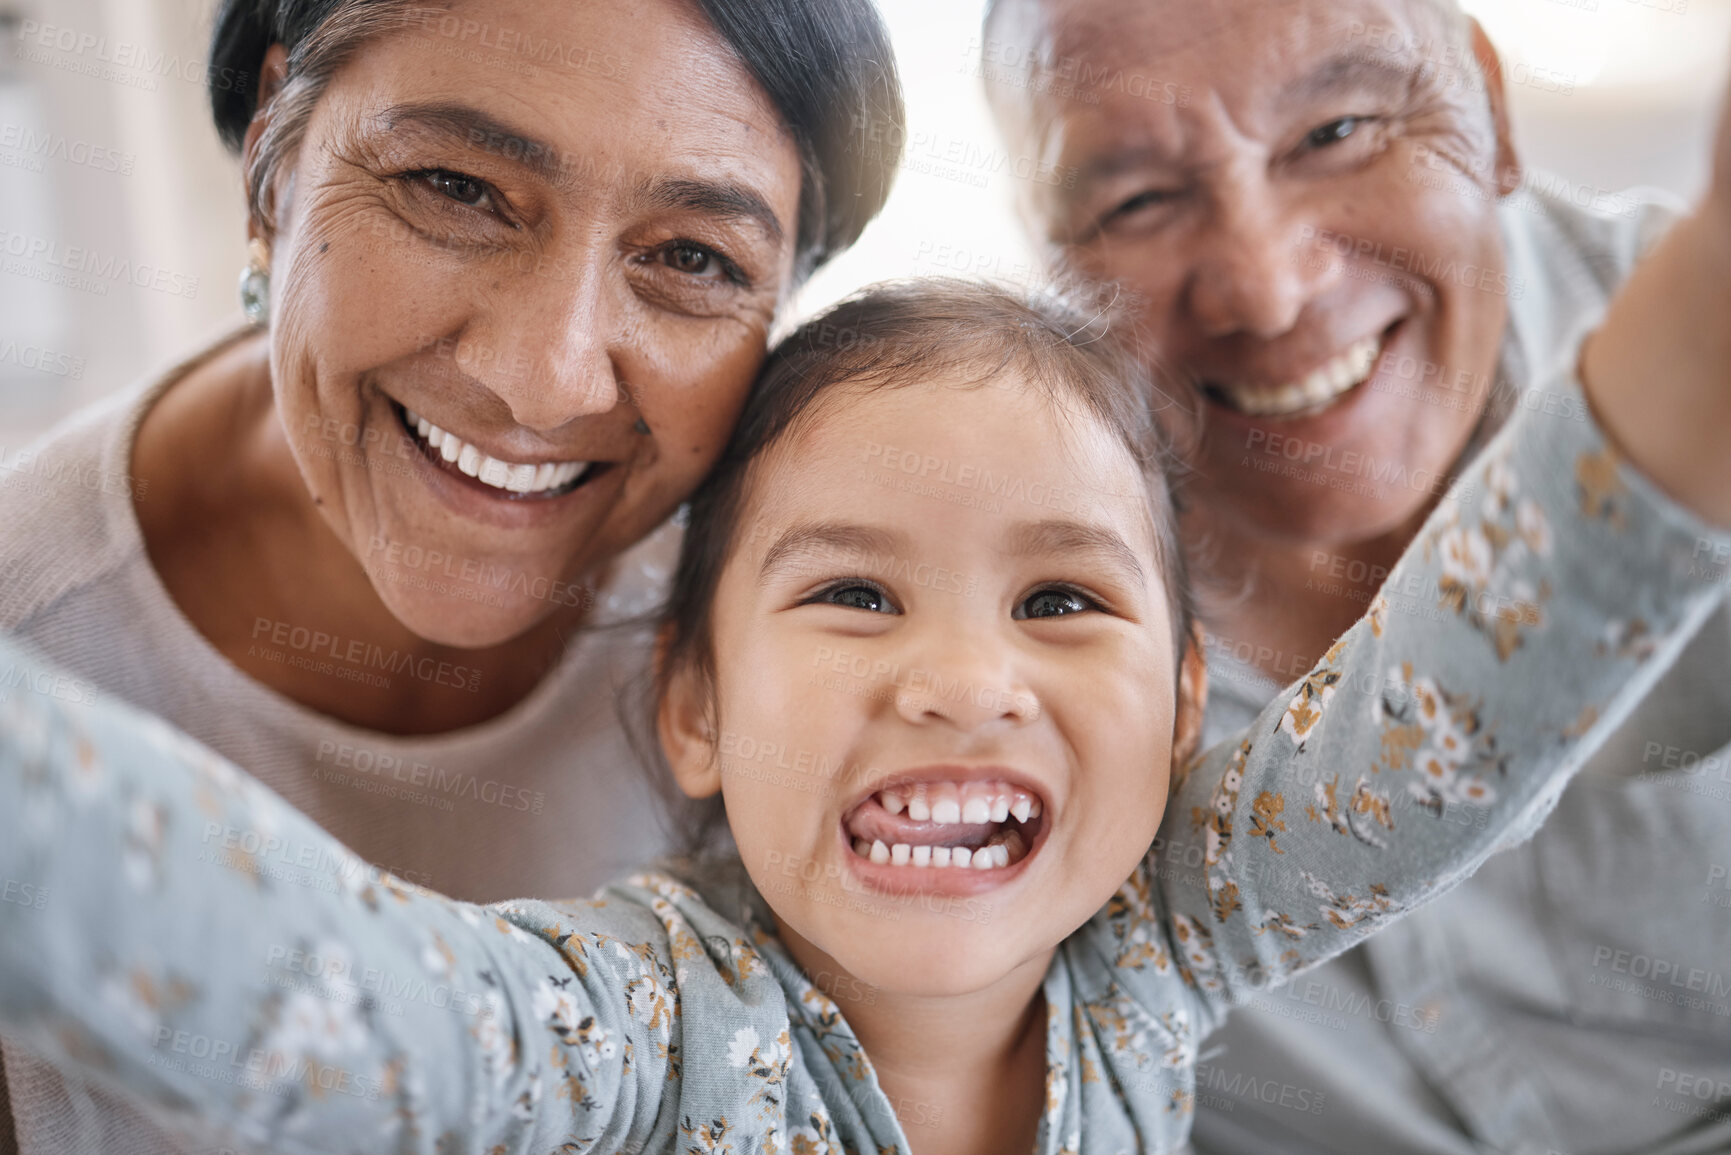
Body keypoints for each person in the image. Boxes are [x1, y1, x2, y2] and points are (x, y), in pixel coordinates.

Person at [0, 276, 1726, 1155]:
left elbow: (1465, 709)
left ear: (1186, 704)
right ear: (691, 707)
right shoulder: (639, 1022)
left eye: (1062, 600)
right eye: (851, 594)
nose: (964, 681)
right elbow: (326, 987)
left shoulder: (1160, 939)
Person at [0, 1, 902, 1151]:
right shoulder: (29, 644)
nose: (548, 379)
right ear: (275, 153)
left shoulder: (822, 640)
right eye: (457, 189)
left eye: (691, 258)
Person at [981, 0, 1731, 1149]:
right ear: (1043, 262)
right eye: (1135, 202)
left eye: (1337, 132)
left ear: (1491, 107)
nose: (1269, 289)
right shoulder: (995, 634)